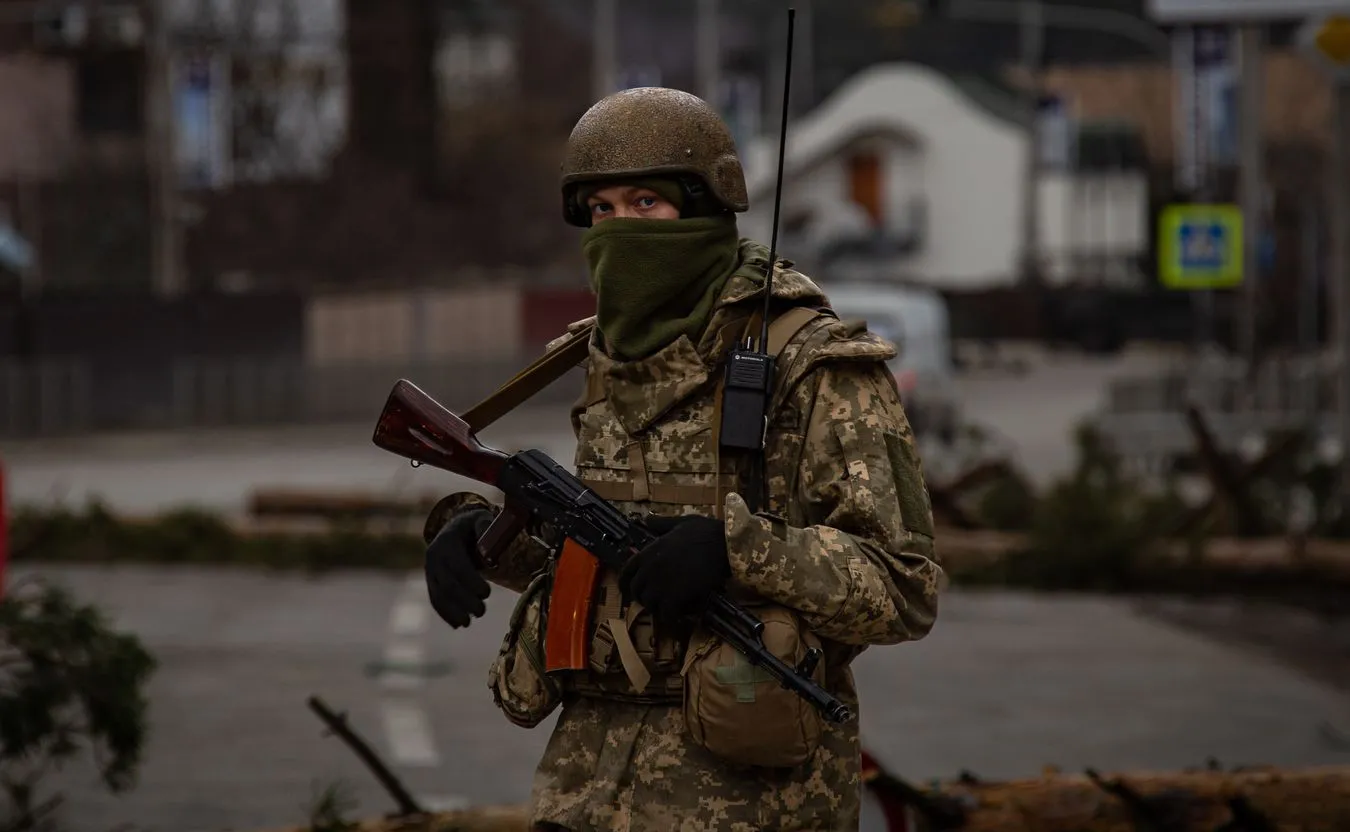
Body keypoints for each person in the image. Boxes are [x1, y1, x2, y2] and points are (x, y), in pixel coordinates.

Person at [421, 86, 943, 832]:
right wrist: (478, 536)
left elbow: (903, 586)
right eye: (600, 210)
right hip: (587, 793)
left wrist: (739, 554)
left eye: (645, 205)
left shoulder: (812, 362)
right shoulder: (601, 357)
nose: (620, 228)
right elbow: (602, 570)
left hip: (751, 804)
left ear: (706, 207)